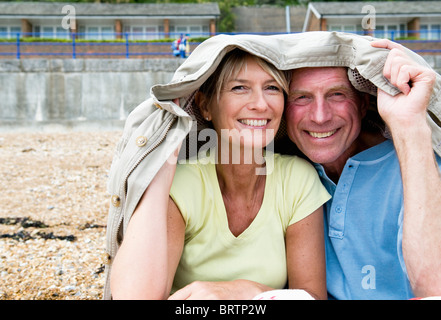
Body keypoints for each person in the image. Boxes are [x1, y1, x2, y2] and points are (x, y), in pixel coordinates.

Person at [110, 48, 331, 300]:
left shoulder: (297, 180)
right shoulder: (183, 183)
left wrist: (244, 290)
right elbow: (135, 297)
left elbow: (311, 297)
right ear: (205, 106)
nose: (261, 104)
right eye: (239, 88)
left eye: (272, 88)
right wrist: (160, 166)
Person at [284, 39, 441, 299]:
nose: (320, 116)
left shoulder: (420, 162)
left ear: (363, 103)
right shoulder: (280, 170)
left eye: (337, 94)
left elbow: (435, 291)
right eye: (301, 98)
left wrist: (409, 125)